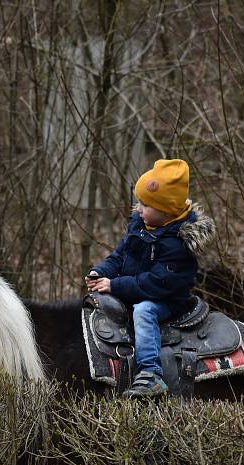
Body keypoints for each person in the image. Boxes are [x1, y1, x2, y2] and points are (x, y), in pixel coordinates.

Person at [86, 159, 215, 398]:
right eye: (139, 202)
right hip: (135, 288)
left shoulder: (177, 244)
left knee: (144, 311)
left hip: (167, 299)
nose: (138, 209)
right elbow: (119, 257)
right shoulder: (141, 225)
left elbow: (155, 284)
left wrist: (114, 285)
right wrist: (101, 272)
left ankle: (150, 374)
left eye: (145, 204)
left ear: (166, 211)